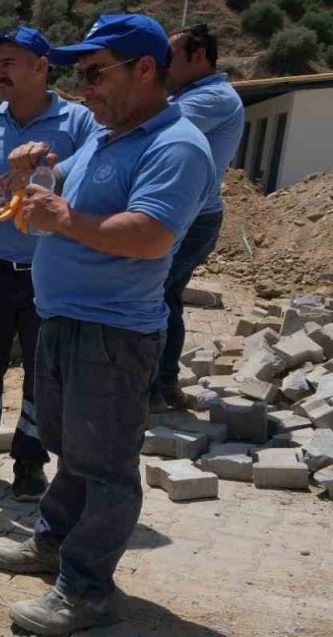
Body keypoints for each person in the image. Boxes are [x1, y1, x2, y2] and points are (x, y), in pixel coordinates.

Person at [0, 15, 215, 635]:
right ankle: (55, 541)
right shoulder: (110, 136)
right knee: (74, 449)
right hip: (66, 320)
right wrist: (45, 169)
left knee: (107, 463)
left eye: (94, 73)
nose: (82, 89)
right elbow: (79, 198)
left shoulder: (177, 145)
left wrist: (61, 216)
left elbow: (149, 235)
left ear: (146, 70)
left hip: (112, 334)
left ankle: (85, 590)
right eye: (79, 75)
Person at [0, 26, 98, 500]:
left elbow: (94, 186)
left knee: (42, 375)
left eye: (10, 62)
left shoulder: (79, 124)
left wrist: (45, 171)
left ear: (40, 66)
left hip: (50, 271)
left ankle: (30, 462)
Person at [151, 22, 245, 411]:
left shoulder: (212, 98)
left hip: (192, 220)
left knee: (151, 295)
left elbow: (153, 123)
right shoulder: (198, 94)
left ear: (200, 57)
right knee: (163, 296)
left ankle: (154, 387)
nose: (163, 67)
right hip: (189, 216)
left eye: (170, 59)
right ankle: (162, 385)